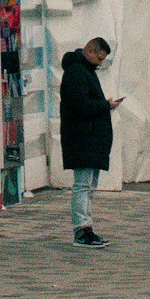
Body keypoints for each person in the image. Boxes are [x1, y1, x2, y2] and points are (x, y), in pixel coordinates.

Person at [59, 35, 121, 248]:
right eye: (100, 58)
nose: (100, 63)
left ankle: (87, 228)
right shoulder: (77, 72)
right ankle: (81, 230)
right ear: (90, 51)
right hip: (82, 138)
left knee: (88, 186)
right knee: (83, 185)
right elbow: (80, 106)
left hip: (88, 139)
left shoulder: (84, 70)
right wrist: (106, 105)